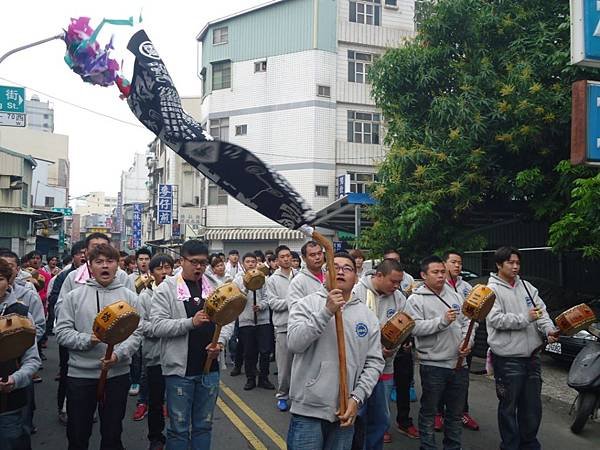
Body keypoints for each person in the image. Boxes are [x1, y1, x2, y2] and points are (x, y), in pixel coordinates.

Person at [287, 252, 384, 449]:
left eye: (347, 268)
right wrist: (326, 312)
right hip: (309, 411)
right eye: (334, 267)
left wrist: (356, 398)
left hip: (345, 411)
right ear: (325, 273)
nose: (340, 272)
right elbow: (295, 343)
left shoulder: (367, 316)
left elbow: (374, 362)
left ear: (356, 277)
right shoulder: (306, 305)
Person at [55, 243, 142, 450]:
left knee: (112, 433)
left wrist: (118, 355)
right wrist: (90, 339)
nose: (105, 266)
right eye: (99, 262)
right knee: (78, 432)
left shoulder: (129, 297)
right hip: (80, 376)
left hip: (117, 375)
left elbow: (137, 332)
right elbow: (62, 332)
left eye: (110, 261)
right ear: (90, 266)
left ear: (117, 266)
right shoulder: (74, 297)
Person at [151, 240, 231, 449]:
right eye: (194, 262)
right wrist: (190, 323)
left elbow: (228, 319)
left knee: (204, 426)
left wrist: (220, 343)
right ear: (181, 261)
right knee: (178, 428)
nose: (199, 267)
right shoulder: (166, 289)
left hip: (209, 369)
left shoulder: (214, 286)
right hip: (180, 372)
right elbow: (157, 326)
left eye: (203, 263)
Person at [487, 247, 558, 450]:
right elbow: (496, 320)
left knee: (532, 407)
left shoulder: (527, 287)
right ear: (499, 265)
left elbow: (541, 313)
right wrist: (526, 317)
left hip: (532, 356)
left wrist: (549, 330)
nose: (515, 266)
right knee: (509, 406)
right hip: (508, 358)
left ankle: (529, 444)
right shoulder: (490, 290)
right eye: (510, 262)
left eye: (517, 262)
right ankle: (510, 445)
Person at [405, 255, 473, 450]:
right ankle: (428, 447)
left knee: (455, 413)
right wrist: (441, 321)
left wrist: (468, 342)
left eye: (443, 271)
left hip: (460, 363)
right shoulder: (415, 299)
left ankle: (453, 447)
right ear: (423, 275)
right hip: (433, 364)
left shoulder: (455, 295)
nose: (441, 276)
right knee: (429, 412)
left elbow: (468, 321)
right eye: (435, 272)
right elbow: (413, 328)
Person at [353, 259, 407, 448]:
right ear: (378, 276)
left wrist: (390, 350)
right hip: (358, 369)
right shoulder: (357, 292)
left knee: (381, 418)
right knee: (357, 416)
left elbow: (402, 330)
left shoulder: (399, 298)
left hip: (385, 366)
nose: (396, 286)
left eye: (399, 282)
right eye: (393, 281)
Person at [0, 259, 42, 450]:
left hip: (9, 402)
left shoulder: (21, 313)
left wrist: (15, 379)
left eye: (0, 278)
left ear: (9, 282)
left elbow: (32, 359)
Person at [435, 250, 479, 432]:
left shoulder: (467, 288)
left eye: (460, 263)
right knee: (440, 381)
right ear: (444, 264)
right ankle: (438, 413)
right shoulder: (436, 286)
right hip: (442, 343)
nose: (457, 266)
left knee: (462, 382)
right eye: (453, 262)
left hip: (464, 343)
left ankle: (462, 412)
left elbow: (473, 317)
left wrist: (468, 341)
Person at [46, 241, 87, 425]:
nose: (83, 256)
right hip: (69, 333)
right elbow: (55, 299)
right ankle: (63, 407)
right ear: (73, 256)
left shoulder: (100, 275)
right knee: (67, 371)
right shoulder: (65, 277)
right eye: (80, 253)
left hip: (92, 334)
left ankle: (86, 408)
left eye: (86, 253)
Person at [138, 254, 174, 450]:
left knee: (177, 399)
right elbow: (141, 324)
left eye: (167, 267)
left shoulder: (179, 293)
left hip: (176, 356)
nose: (164, 272)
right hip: (154, 356)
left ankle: (178, 434)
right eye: (159, 269)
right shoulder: (144, 296)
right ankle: (156, 437)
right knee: (156, 400)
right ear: (151, 274)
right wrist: (162, 328)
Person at [233, 253, 275, 391]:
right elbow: (236, 298)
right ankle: (250, 379)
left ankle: (264, 378)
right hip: (246, 321)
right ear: (243, 264)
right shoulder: (238, 280)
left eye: (253, 262)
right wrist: (246, 286)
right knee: (249, 352)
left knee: (265, 351)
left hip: (263, 321)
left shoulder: (264, 279)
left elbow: (268, 298)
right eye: (248, 262)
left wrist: (261, 306)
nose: (251, 264)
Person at [265, 245, 296, 411]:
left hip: (300, 325)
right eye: (282, 256)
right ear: (276, 260)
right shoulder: (272, 280)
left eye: (288, 256)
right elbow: (273, 303)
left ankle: (299, 397)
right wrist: (292, 302)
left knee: (302, 365)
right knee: (284, 367)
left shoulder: (299, 276)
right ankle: (283, 395)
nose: (286, 259)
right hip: (283, 327)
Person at [288, 241, 325, 307]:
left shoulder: (330, 275)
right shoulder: (298, 282)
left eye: (319, 253)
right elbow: (294, 309)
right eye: (312, 255)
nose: (317, 257)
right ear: (304, 258)